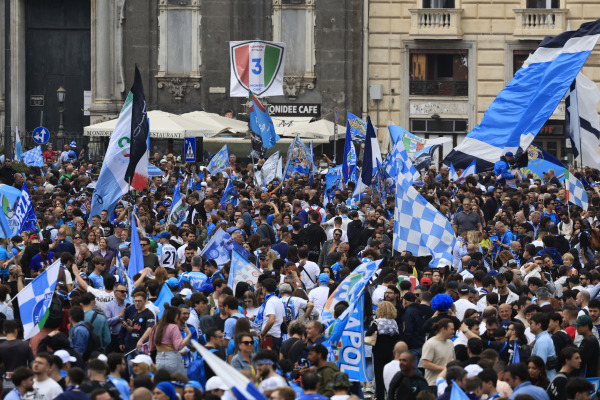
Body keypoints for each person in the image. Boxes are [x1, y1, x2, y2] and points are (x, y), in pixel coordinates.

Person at [366, 301, 400, 400]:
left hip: (378, 351)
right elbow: (397, 336)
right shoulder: (394, 322)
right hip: (391, 352)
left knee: (379, 376)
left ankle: (380, 397)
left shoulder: (377, 322)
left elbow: (369, 333)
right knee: (389, 375)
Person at [421, 318, 456, 388]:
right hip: (433, 384)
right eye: (451, 329)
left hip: (448, 384)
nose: (454, 331)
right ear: (444, 329)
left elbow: (453, 360)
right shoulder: (430, 343)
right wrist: (444, 369)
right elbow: (425, 364)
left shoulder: (450, 343)